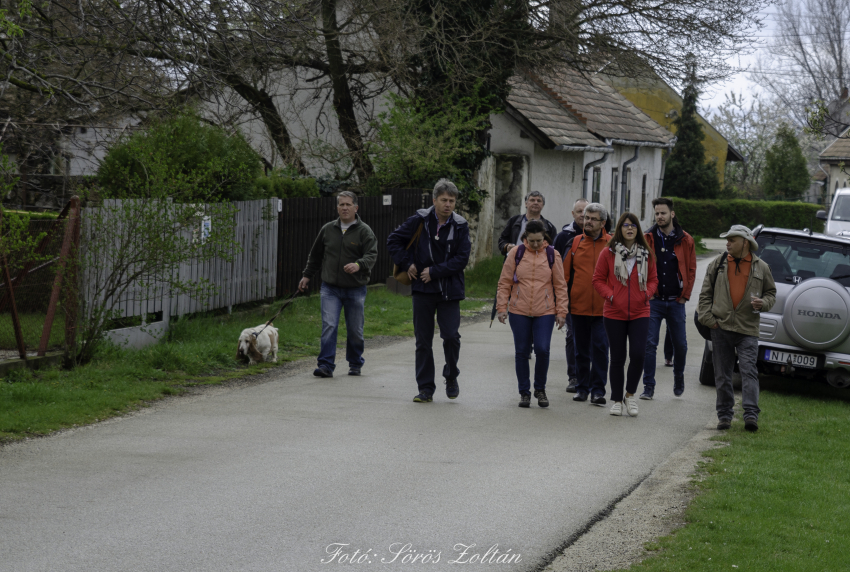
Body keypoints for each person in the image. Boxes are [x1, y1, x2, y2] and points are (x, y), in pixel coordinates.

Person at [387, 179, 471, 403]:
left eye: (452, 201)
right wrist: (407, 264)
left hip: (449, 291)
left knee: (451, 336)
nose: (448, 205)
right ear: (434, 200)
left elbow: (461, 259)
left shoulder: (461, 225)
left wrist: (434, 271)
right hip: (423, 290)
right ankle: (425, 388)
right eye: (444, 200)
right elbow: (393, 240)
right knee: (423, 341)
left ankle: (451, 375)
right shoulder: (420, 220)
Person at [698, 225, 776, 432]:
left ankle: (751, 416)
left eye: (732, 240)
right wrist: (709, 319)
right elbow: (705, 294)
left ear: (745, 242)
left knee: (749, 372)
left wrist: (764, 303)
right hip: (720, 327)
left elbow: (771, 294)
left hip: (748, 329)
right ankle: (724, 416)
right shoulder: (718, 263)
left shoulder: (762, 267)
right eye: (728, 240)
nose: (727, 243)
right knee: (722, 374)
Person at [299, 191, 378, 378]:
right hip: (330, 288)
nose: (344, 208)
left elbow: (372, 255)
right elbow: (316, 255)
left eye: (348, 204)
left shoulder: (364, 231)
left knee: (355, 329)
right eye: (341, 204)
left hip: (355, 289)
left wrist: (358, 264)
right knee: (329, 325)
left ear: (356, 208)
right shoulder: (327, 229)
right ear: (337, 208)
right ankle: (326, 365)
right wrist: (306, 276)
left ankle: (355, 362)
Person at [496, 220, 569, 408]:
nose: (535, 244)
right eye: (531, 241)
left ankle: (540, 389)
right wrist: (501, 308)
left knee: (543, 350)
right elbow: (504, 282)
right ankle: (524, 392)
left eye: (539, 240)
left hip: (544, 311)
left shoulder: (553, 254)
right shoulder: (516, 253)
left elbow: (560, 286)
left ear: (544, 236)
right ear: (525, 237)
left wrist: (562, 311)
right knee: (521, 352)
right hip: (519, 310)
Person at [592, 213, 658, 417]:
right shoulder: (608, 253)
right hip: (614, 313)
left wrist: (646, 294)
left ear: (638, 230)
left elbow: (653, 280)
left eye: (634, 226)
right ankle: (616, 400)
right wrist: (611, 296)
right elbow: (597, 280)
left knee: (638, 354)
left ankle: (630, 395)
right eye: (626, 225)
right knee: (618, 357)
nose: (630, 229)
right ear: (619, 229)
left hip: (640, 311)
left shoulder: (646, 254)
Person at [640, 197, 697, 399]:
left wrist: (685, 296)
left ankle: (678, 376)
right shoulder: (647, 237)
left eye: (663, 213)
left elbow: (691, 269)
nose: (660, 217)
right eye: (656, 213)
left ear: (672, 214)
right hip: (654, 300)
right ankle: (648, 387)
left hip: (675, 301)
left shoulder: (685, 239)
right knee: (649, 344)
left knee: (680, 344)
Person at [562, 202, 611, 406]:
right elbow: (564, 276)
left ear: (603, 222)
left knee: (600, 348)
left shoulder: (612, 244)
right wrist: (562, 303)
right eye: (586, 217)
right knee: (580, 349)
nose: (587, 221)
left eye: (592, 218)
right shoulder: (574, 243)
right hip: (578, 307)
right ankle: (582, 388)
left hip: (604, 309)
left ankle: (598, 390)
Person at [553, 198, 588, 393]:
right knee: (573, 335)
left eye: (587, 211)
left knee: (594, 338)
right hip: (570, 295)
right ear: (573, 214)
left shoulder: (603, 236)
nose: (583, 215)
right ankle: (574, 376)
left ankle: (589, 376)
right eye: (579, 211)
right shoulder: (563, 237)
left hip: (594, 297)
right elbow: (555, 266)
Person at [498, 191, 558, 256]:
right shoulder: (514, 221)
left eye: (539, 201)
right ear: (526, 204)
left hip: (540, 263)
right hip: (515, 260)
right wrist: (506, 246)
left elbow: (554, 248)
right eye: (532, 200)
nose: (536, 203)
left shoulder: (549, 227)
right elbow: (502, 239)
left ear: (543, 205)